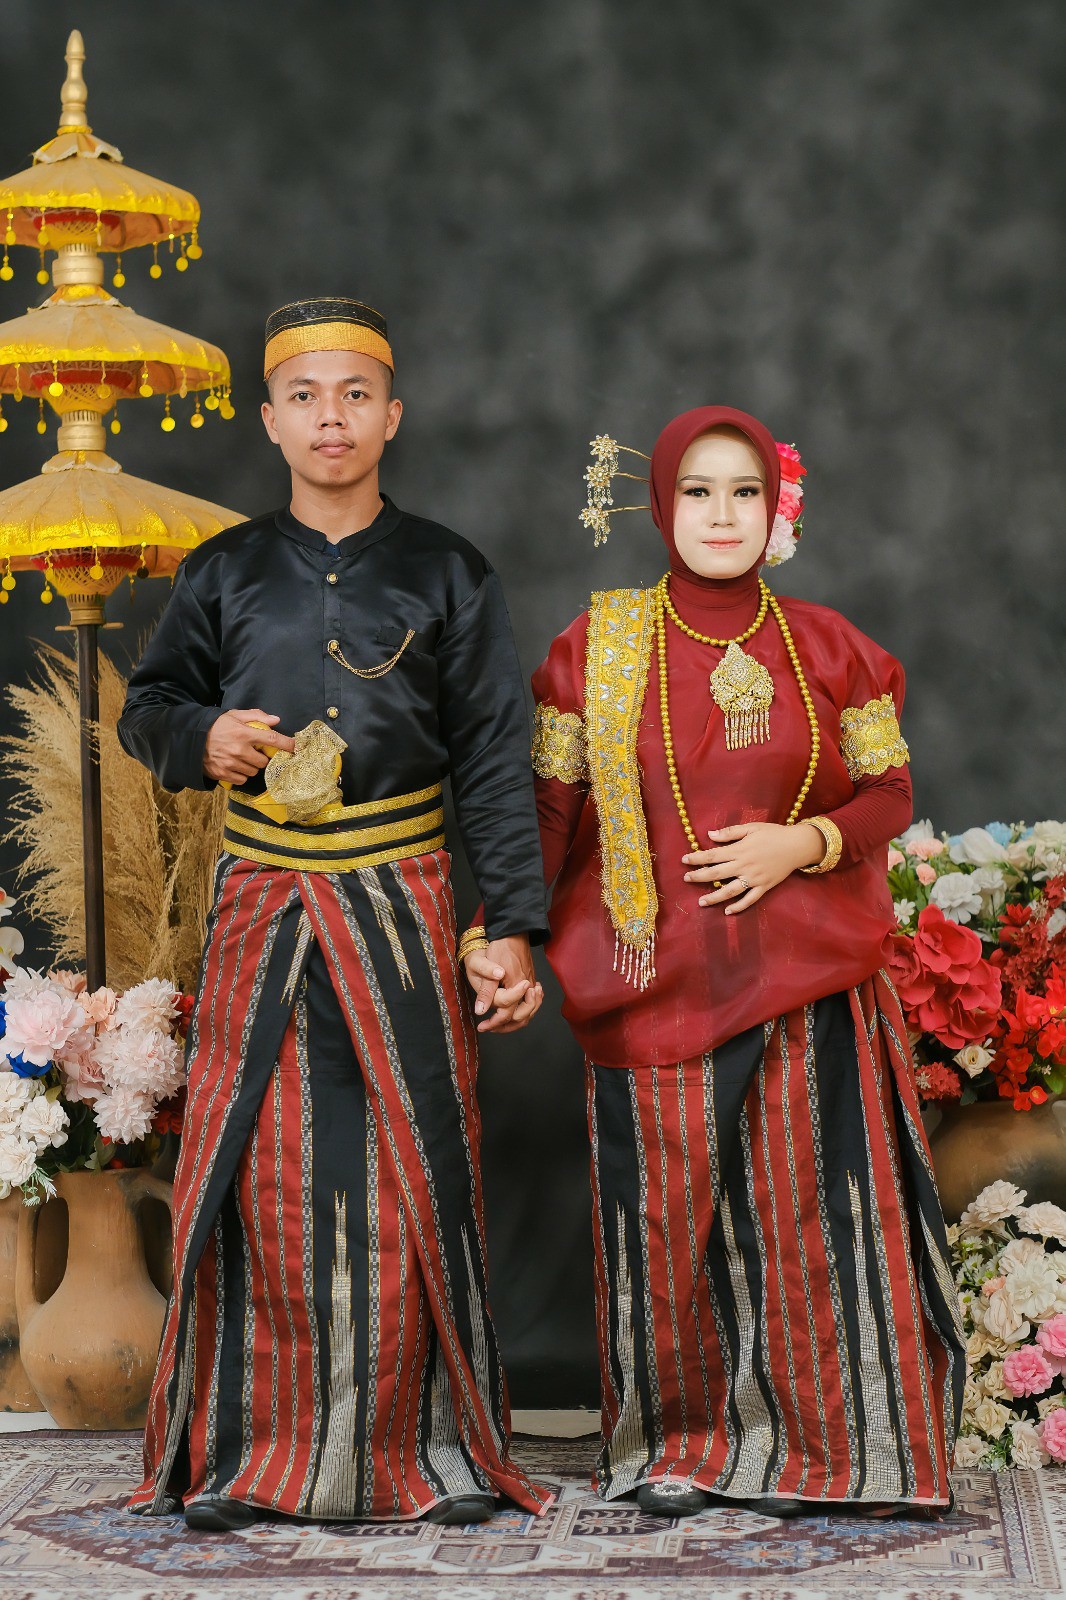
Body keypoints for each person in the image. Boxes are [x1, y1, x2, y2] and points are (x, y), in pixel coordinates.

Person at [467, 404, 964, 1519]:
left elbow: (890, 793)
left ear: (777, 506)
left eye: (744, 491)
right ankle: (677, 1446)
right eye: (697, 491)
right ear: (660, 506)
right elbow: (548, 811)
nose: (722, 514)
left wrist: (804, 842)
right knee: (666, 1223)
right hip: (651, 985)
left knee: (808, 1220)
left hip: (811, 981)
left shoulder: (833, 646)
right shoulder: (593, 651)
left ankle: (835, 1451)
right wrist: (505, 932)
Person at [119, 296, 551, 1531]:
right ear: (269, 420)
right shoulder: (224, 571)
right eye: (304, 395)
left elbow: (495, 761)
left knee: (414, 1164)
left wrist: (510, 926)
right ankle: (251, 1456)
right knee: (261, 1169)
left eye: (355, 394)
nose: (330, 417)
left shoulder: (449, 570)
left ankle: (429, 1452)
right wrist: (202, 736)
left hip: (403, 896)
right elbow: (148, 708)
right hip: (260, 899)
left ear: (391, 416)